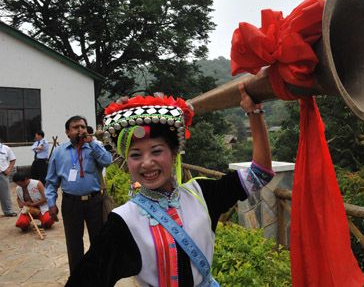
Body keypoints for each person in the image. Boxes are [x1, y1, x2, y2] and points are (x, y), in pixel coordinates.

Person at [66, 84, 275, 286]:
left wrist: (254, 113)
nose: (147, 162)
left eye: (156, 151)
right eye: (136, 155)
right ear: (126, 161)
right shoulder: (123, 222)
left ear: (174, 153)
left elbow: (260, 174)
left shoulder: (202, 194)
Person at [44, 115, 113, 273]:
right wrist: (51, 204)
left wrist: (93, 144)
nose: (80, 130)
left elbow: (107, 161)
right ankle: (77, 277)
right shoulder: (59, 152)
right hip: (71, 203)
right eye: (76, 127)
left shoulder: (94, 148)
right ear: (68, 132)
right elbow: (51, 181)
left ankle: (99, 275)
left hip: (94, 201)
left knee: (98, 240)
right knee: (74, 242)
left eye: (83, 127)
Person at [0, 139, 17, 217]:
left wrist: (9, 169)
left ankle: (8, 211)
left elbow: (13, 159)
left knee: (5, 194)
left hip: (2, 174)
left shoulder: (6, 149)